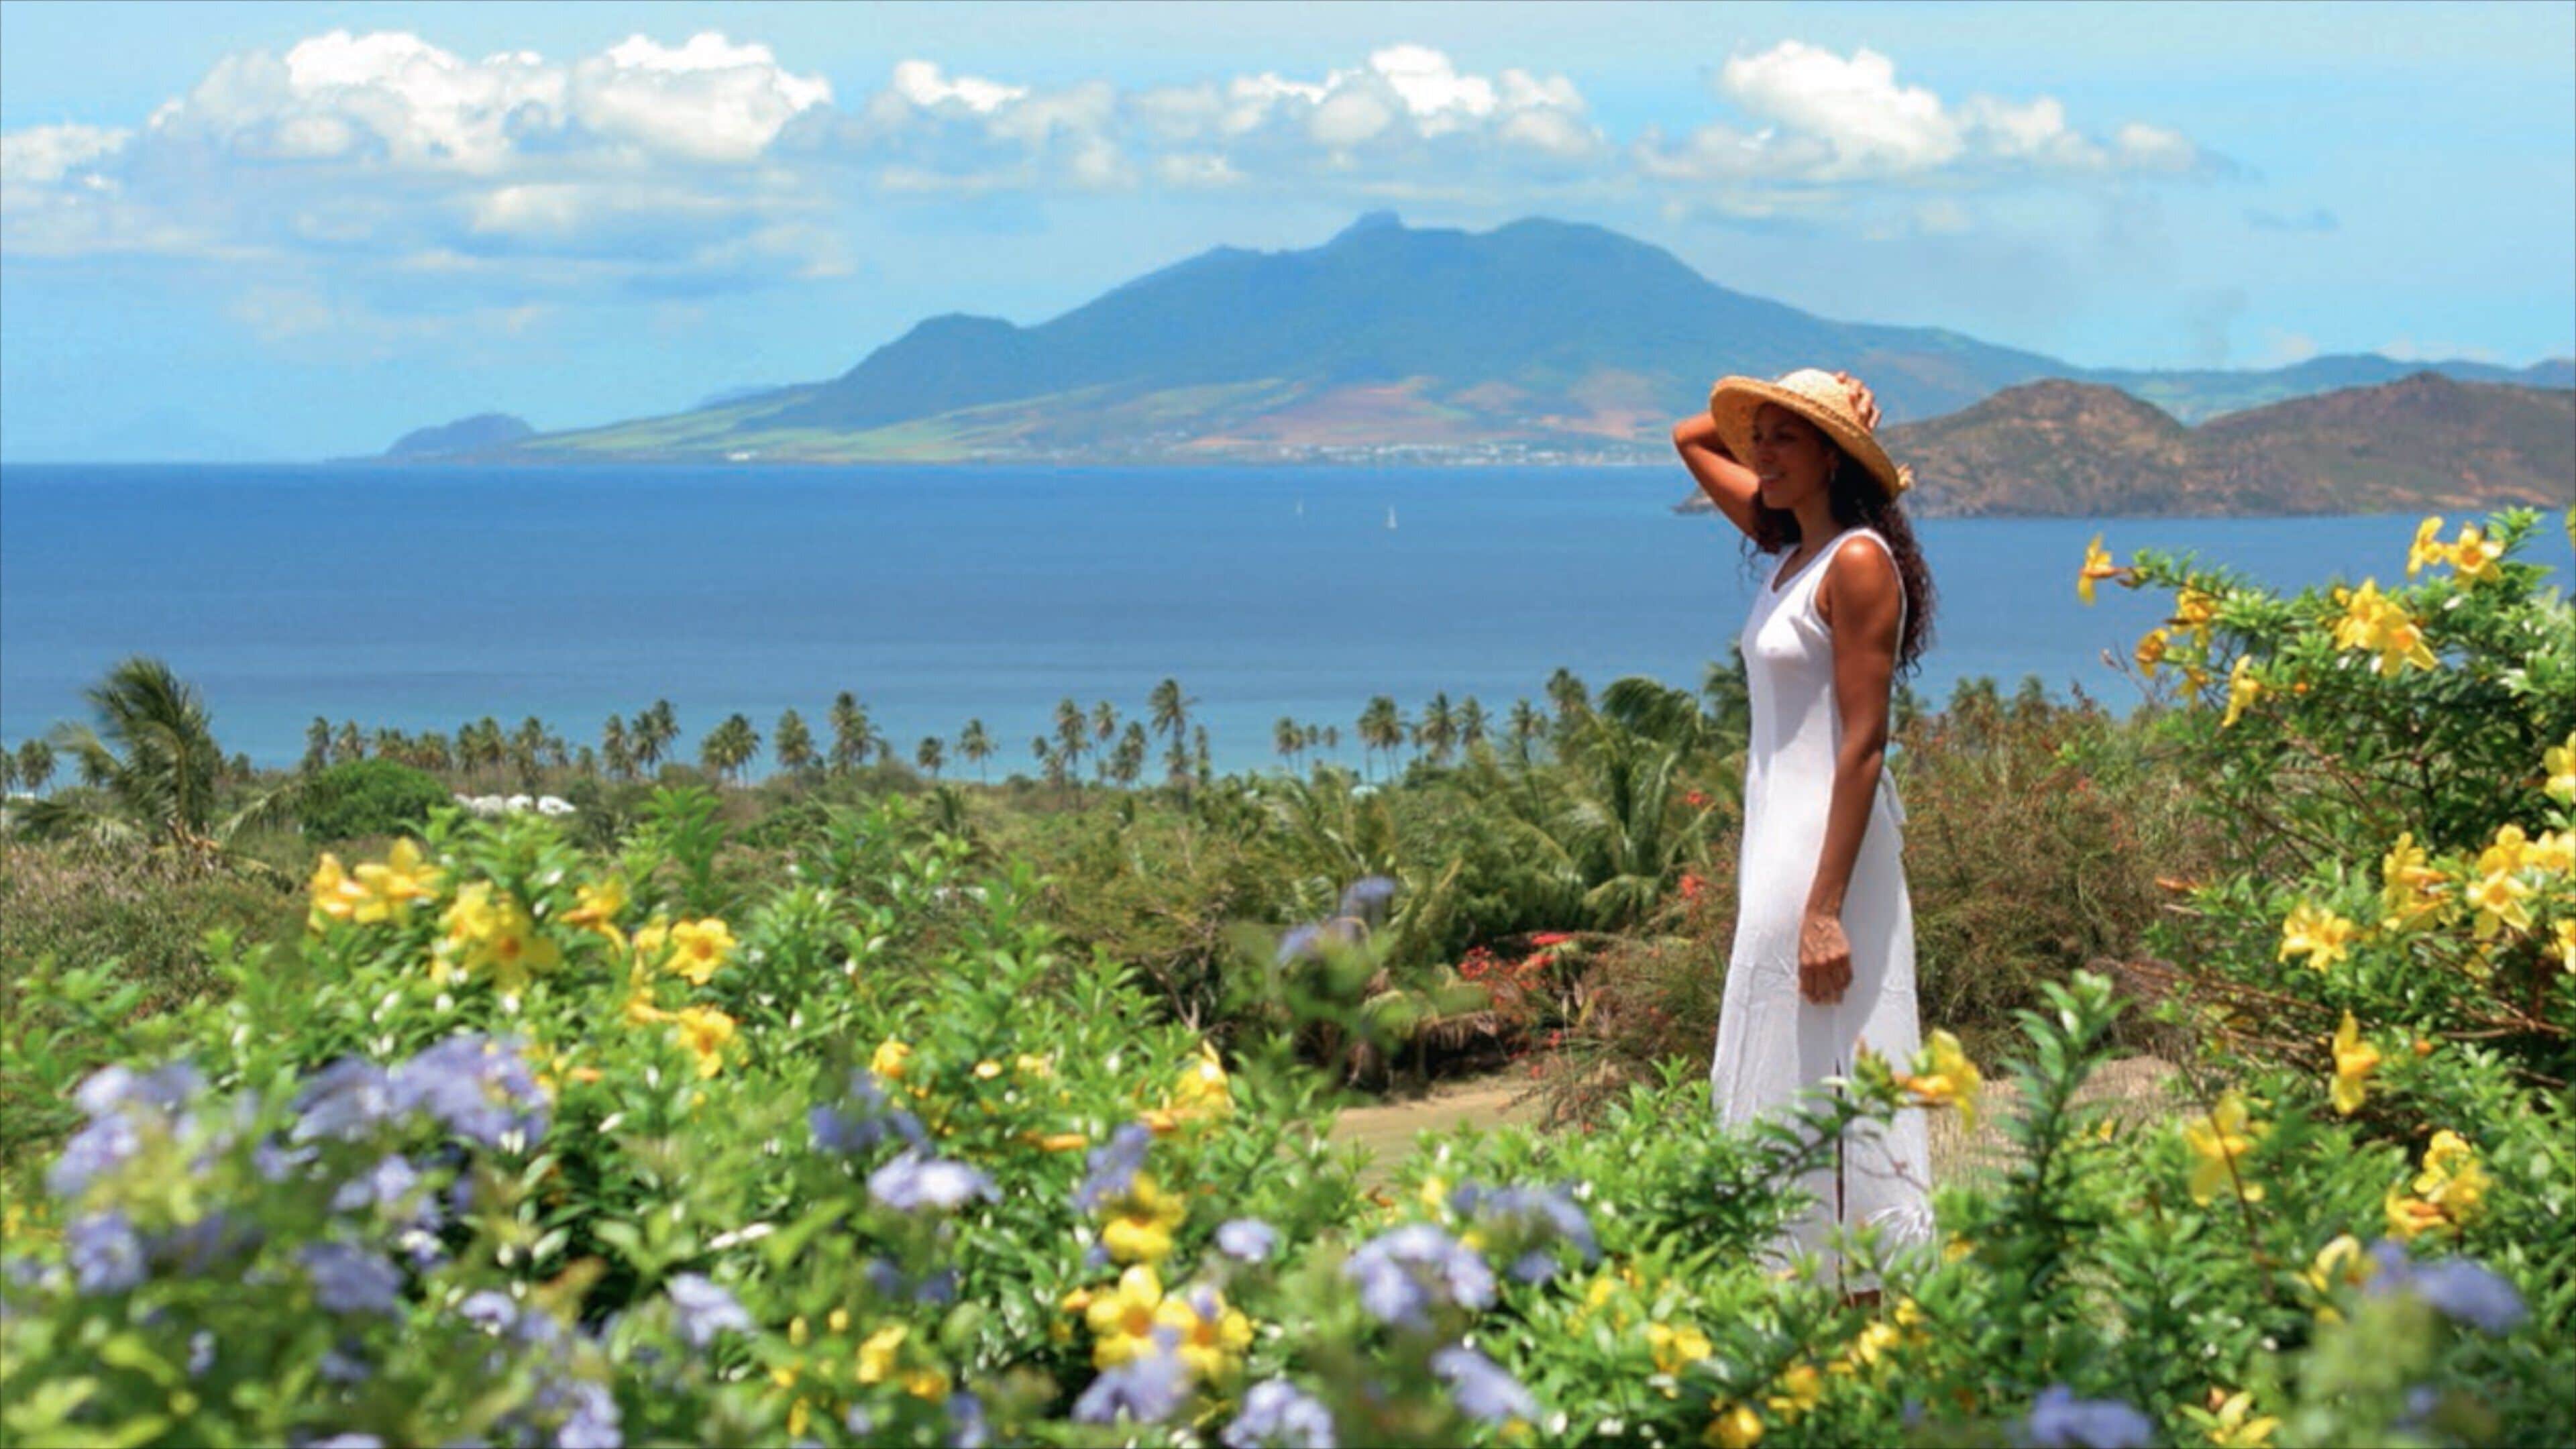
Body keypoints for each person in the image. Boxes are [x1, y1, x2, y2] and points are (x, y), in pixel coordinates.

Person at [1672, 368, 1938, 1305]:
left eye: (1787, 438)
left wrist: (1825, 909)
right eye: (1761, 437)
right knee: (1786, 1063)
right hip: (1778, 844)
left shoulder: (1857, 562)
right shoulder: (1791, 549)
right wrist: (1803, 403)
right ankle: (1799, 1293)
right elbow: (1689, 436)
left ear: (1834, 457)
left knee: (1841, 1068)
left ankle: (1867, 1303)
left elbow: (1864, 744)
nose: (1761, 452)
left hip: (1826, 852)